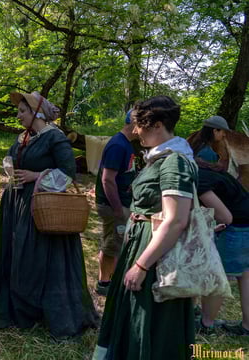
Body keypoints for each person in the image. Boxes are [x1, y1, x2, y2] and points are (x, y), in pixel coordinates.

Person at [0, 91, 99, 337]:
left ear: (37, 112)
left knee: (40, 257)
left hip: (43, 205)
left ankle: (45, 310)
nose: (18, 116)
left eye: (22, 111)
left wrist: (36, 176)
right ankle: (21, 309)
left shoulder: (55, 138)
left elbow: (68, 173)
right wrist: (12, 170)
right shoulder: (25, 137)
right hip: (17, 201)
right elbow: (12, 159)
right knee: (19, 252)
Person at [93, 95, 196, 360]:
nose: (136, 131)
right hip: (141, 245)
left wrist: (142, 265)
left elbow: (176, 220)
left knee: (150, 319)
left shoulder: (175, 161)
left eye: (140, 125)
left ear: (158, 125)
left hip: (156, 255)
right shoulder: (160, 158)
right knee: (131, 315)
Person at [194, 167, 249, 336]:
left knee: (216, 276)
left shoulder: (198, 181)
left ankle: (206, 324)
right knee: (246, 275)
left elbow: (226, 217)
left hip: (237, 228)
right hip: (245, 223)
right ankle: (247, 326)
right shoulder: (210, 171)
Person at [95, 110, 137, 296]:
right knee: (112, 244)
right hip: (112, 205)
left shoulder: (126, 144)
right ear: (134, 123)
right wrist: (118, 209)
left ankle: (110, 280)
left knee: (115, 242)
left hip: (119, 204)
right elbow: (107, 180)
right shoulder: (118, 145)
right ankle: (104, 283)